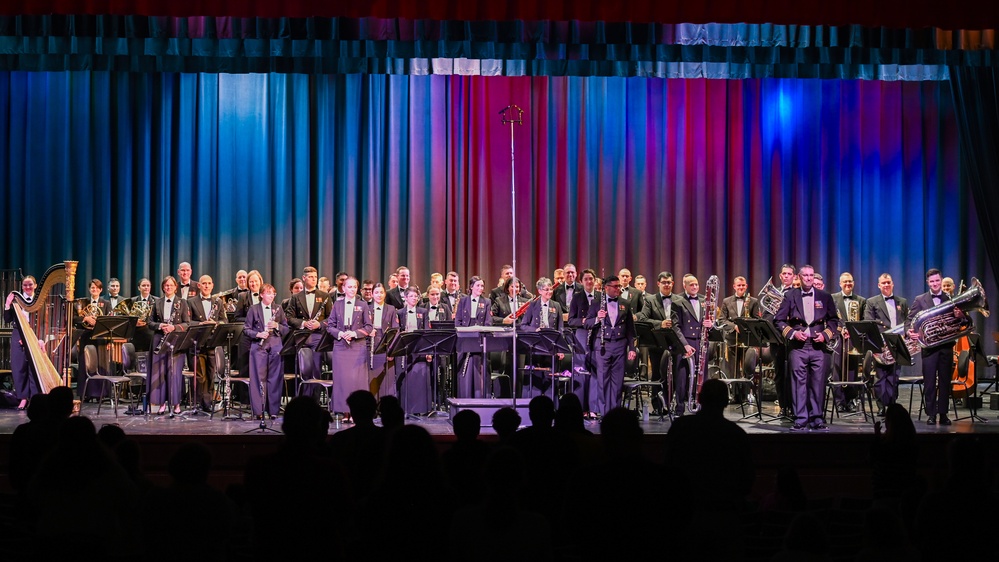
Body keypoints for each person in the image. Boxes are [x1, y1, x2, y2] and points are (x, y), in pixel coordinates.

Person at [664, 379, 754, 511]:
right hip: (724, 512)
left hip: (685, 509)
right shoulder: (737, 435)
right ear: (726, 402)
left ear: (699, 399)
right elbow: (747, 481)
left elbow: (667, 465)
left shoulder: (680, 427)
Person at [774, 264, 839, 431]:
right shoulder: (790, 296)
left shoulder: (825, 296)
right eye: (806, 276)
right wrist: (792, 333)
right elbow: (779, 320)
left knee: (818, 383)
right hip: (798, 347)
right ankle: (800, 419)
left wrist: (825, 335)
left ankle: (817, 418)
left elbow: (833, 321)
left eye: (811, 275)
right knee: (798, 384)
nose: (809, 278)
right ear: (799, 278)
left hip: (818, 347)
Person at [907, 268, 956, 426]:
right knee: (929, 382)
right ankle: (931, 414)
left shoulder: (950, 298)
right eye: (932, 281)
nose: (935, 284)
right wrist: (910, 331)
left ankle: (943, 414)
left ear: (941, 280)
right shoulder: (920, 299)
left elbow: (956, 321)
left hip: (946, 346)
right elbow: (909, 320)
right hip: (928, 347)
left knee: (944, 381)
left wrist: (960, 316)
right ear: (927, 282)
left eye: (937, 280)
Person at [585, 275, 637, 416]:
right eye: (615, 286)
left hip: (620, 345)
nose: (618, 289)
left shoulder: (625, 303)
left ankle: (616, 413)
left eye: (619, 286)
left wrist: (632, 348)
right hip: (603, 345)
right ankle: (604, 413)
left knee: (617, 381)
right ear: (606, 287)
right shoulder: (596, 303)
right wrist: (597, 318)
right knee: (603, 381)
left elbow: (631, 330)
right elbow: (587, 323)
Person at [636, 271, 687, 413]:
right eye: (664, 282)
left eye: (669, 282)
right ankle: (658, 407)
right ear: (658, 283)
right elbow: (643, 319)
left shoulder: (680, 299)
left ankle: (679, 406)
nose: (666, 284)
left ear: (673, 283)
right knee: (658, 374)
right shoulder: (650, 300)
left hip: (676, 343)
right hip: (657, 343)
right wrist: (660, 324)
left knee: (678, 374)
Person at [327, 276, 373, 422]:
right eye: (349, 286)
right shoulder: (337, 304)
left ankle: (356, 413)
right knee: (342, 380)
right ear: (343, 288)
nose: (352, 289)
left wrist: (354, 333)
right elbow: (330, 326)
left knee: (356, 381)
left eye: (354, 287)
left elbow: (369, 327)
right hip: (341, 348)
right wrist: (340, 334)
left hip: (357, 348)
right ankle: (344, 412)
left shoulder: (363, 305)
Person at [244, 283, 290, 419]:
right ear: (262, 295)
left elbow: (286, 329)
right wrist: (258, 334)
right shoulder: (253, 309)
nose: (271, 296)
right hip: (259, 346)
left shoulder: (278, 309)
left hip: (275, 345)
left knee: (275, 378)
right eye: (268, 293)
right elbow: (246, 329)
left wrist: (277, 326)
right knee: (258, 378)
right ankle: (259, 411)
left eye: (273, 293)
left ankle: (273, 411)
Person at [147, 275, 191, 415]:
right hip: (159, 340)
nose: (168, 287)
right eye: (166, 285)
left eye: (171, 285)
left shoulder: (182, 303)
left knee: (174, 373)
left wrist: (174, 328)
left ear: (175, 287)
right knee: (160, 373)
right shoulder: (157, 302)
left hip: (175, 340)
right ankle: (161, 404)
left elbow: (187, 324)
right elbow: (150, 323)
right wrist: (160, 325)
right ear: (163, 287)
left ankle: (176, 403)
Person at [864, 273, 907, 414]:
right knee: (880, 376)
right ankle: (882, 406)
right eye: (884, 283)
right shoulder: (871, 302)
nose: (886, 285)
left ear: (893, 283)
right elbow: (868, 323)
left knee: (894, 376)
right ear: (879, 285)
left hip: (897, 343)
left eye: (888, 282)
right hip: (880, 344)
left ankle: (892, 405)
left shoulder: (902, 302)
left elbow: (907, 322)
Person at [670, 274, 713, 416]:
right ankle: (680, 408)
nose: (695, 287)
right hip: (685, 343)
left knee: (701, 376)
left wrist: (710, 324)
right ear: (685, 286)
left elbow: (711, 321)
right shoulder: (677, 301)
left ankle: (700, 406)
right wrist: (685, 345)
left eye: (696, 284)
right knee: (682, 376)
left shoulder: (704, 299)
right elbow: (675, 327)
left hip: (701, 342)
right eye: (691, 285)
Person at [287, 266, 333, 396]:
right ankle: (303, 400)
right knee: (303, 371)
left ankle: (315, 402)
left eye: (315, 277)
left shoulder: (325, 296)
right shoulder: (296, 297)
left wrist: (319, 324)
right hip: (301, 337)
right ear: (304, 278)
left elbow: (331, 318)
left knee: (316, 370)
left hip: (318, 337)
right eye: (311, 277)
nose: (314, 279)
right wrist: (303, 323)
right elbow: (289, 318)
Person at [187, 274, 226, 412]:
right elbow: (188, 322)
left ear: (212, 285)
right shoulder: (191, 302)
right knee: (200, 376)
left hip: (212, 343)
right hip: (197, 343)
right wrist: (201, 323)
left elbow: (224, 321)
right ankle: (200, 403)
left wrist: (215, 323)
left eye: (209, 283)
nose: (207, 286)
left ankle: (208, 403)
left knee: (211, 375)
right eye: (204, 283)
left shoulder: (218, 302)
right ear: (199, 285)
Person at [830, 271, 867, 412]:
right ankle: (839, 401)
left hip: (853, 340)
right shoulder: (833, 298)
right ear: (840, 283)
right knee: (838, 369)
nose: (848, 284)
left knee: (852, 370)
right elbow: (832, 318)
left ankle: (851, 400)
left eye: (850, 281)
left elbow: (864, 321)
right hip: (839, 339)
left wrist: (853, 331)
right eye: (845, 281)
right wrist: (841, 329)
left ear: (854, 283)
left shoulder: (861, 300)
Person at [717, 275, 763, 385]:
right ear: (734, 286)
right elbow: (721, 320)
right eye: (739, 285)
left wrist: (745, 326)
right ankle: (734, 393)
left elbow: (757, 319)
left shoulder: (753, 301)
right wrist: (734, 326)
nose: (741, 287)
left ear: (746, 286)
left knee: (747, 367)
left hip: (746, 339)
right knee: (732, 368)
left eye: (743, 285)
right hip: (732, 339)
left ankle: (745, 393)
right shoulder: (726, 301)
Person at [567, 268, 600, 415]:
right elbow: (571, 320)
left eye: (591, 279)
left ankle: (594, 408)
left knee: (595, 372)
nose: (589, 281)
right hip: (581, 335)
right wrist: (584, 321)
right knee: (580, 371)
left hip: (597, 335)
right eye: (586, 279)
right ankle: (581, 408)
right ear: (581, 281)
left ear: (595, 280)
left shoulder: (600, 296)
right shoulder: (577, 297)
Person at [4, 275, 40, 409]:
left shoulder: (39, 301)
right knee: (18, 367)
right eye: (25, 285)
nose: (28, 287)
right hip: (17, 333)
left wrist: (39, 338)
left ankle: (35, 397)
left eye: (30, 284)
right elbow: (7, 320)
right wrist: (7, 304)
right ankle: (23, 398)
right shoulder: (16, 301)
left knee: (34, 368)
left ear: (35, 286)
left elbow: (43, 321)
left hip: (35, 334)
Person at [455, 276, 493, 398]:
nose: (480, 288)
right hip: (464, 338)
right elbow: (458, 320)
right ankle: (464, 396)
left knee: (478, 369)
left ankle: (478, 397)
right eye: (478, 285)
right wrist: (461, 333)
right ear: (471, 287)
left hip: (479, 339)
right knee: (464, 369)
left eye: (482, 286)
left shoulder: (486, 302)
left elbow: (488, 322)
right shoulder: (463, 300)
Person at [396, 287, 432, 414]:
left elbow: (427, 330)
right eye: (411, 296)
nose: (414, 298)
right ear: (405, 298)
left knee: (419, 378)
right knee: (406, 379)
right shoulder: (400, 313)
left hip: (420, 348)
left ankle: (420, 408)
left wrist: (429, 351)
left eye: (416, 296)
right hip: (405, 349)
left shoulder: (423, 311)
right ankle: (406, 408)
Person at [367, 283, 399, 401]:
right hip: (370, 345)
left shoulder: (391, 309)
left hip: (386, 344)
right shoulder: (367, 308)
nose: (379, 295)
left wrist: (392, 350)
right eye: (376, 292)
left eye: (381, 292)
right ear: (372, 294)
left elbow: (396, 330)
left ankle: (385, 407)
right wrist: (368, 331)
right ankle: (372, 405)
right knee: (372, 377)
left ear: (385, 294)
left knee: (387, 378)